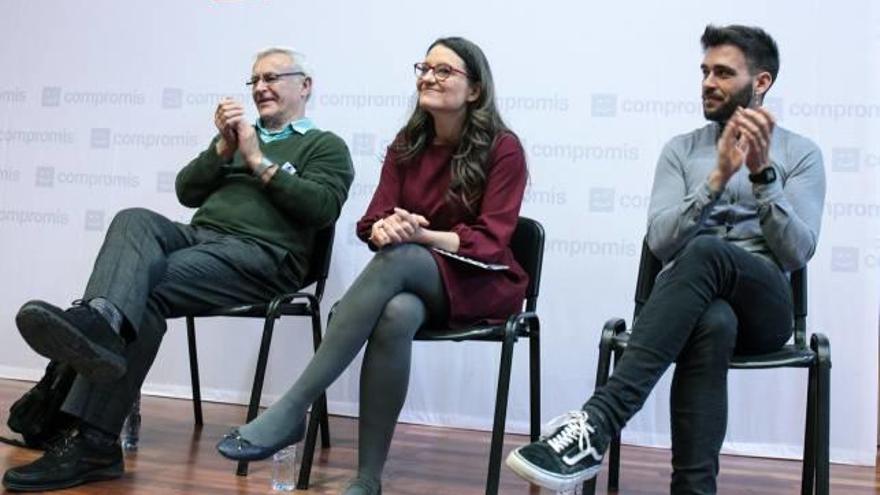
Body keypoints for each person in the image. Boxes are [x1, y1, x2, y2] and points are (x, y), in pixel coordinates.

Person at [3, 47, 354, 492]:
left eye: (272, 77)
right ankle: (101, 323)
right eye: (255, 81)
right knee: (133, 219)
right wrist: (222, 149)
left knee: (142, 290)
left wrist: (257, 160)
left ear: (305, 85)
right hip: (200, 238)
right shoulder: (237, 137)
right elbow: (187, 191)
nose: (261, 88)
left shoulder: (326, 146)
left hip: (263, 256)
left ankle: (94, 439)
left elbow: (321, 208)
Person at [507, 25, 825, 494]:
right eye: (704, 71)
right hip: (692, 310)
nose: (707, 83)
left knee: (707, 252)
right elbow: (660, 242)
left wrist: (762, 175)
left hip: (766, 310)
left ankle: (597, 424)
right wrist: (716, 178)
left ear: (761, 82)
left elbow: (797, 251)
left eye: (722, 72)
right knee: (713, 321)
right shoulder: (681, 150)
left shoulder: (801, 154)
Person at [216, 36, 528, 495]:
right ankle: (367, 479)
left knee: (401, 256)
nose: (429, 76)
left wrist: (417, 235)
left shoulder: (504, 149)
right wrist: (385, 230)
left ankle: (292, 408)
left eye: (444, 71)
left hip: (479, 281)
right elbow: (371, 220)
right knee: (397, 312)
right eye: (424, 67)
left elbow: (493, 241)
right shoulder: (408, 144)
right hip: (414, 279)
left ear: (475, 90)